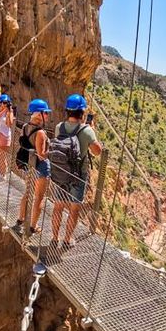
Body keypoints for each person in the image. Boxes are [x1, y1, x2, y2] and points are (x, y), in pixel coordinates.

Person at [49, 94, 102, 248]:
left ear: (68, 111)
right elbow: (97, 151)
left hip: (60, 173)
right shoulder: (87, 131)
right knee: (74, 208)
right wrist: (92, 130)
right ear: (82, 112)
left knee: (58, 206)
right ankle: (67, 240)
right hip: (79, 175)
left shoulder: (60, 127)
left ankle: (54, 238)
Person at [15, 99, 51, 235]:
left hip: (29, 166)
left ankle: (20, 218)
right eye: (45, 113)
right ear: (39, 114)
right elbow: (42, 155)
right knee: (39, 197)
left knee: (28, 193)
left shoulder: (25, 127)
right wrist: (52, 150)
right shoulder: (40, 132)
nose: (47, 115)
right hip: (40, 167)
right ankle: (33, 226)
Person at [0, 94, 14, 178]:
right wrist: (3, 111)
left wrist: (7, 113)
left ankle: (3, 175)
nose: (5, 104)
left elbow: (9, 124)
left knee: (2, 156)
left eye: (6, 103)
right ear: (0, 103)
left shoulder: (10, 112)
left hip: (4, 136)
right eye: (3, 102)